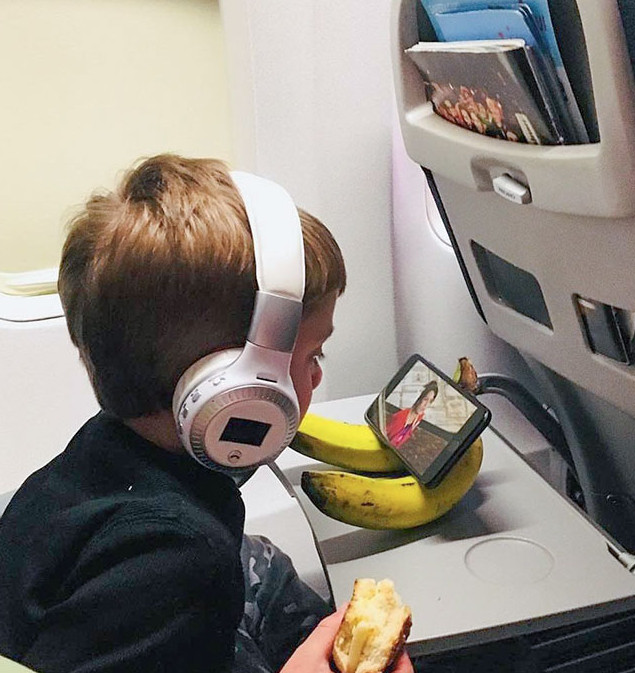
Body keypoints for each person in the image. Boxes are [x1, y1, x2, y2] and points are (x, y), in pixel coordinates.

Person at [0, 154, 414, 673]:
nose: (315, 377)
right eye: (314, 356)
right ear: (239, 386)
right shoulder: (176, 560)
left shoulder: (104, 450)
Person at [386, 381, 439, 448]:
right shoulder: (400, 417)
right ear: (418, 398)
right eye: (425, 399)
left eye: (430, 401)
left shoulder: (419, 417)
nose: (426, 405)